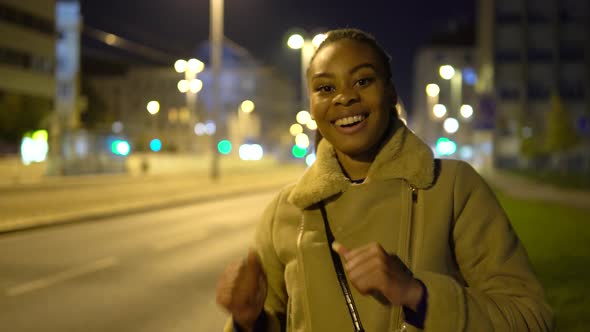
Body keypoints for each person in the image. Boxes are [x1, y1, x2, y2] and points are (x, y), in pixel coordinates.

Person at [216, 28, 553, 332]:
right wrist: (249, 320)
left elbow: (530, 317)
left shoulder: (452, 187)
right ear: (312, 106)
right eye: (325, 87)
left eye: (362, 81)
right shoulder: (286, 211)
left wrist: (416, 295)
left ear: (391, 93)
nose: (344, 97)